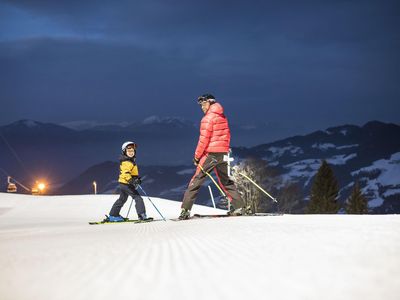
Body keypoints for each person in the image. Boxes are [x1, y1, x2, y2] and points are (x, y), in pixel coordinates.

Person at [179, 94, 246, 220]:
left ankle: (185, 210)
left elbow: (203, 140)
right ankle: (240, 206)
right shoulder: (222, 116)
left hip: (211, 154)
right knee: (225, 181)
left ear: (210, 103)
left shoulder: (207, 119)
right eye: (200, 105)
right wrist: (225, 149)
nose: (202, 107)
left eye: (204, 104)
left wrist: (196, 157)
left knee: (196, 180)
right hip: (223, 153)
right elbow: (227, 135)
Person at [108, 141, 149, 222]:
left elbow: (131, 173)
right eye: (129, 151)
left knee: (122, 199)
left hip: (123, 183)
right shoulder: (126, 162)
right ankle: (142, 215)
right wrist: (132, 180)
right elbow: (125, 173)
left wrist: (136, 179)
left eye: (132, 151)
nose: (131, 153)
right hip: (126, 184)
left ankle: (113, 215)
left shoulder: (129, 160)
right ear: (124, 151)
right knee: (138, 198)